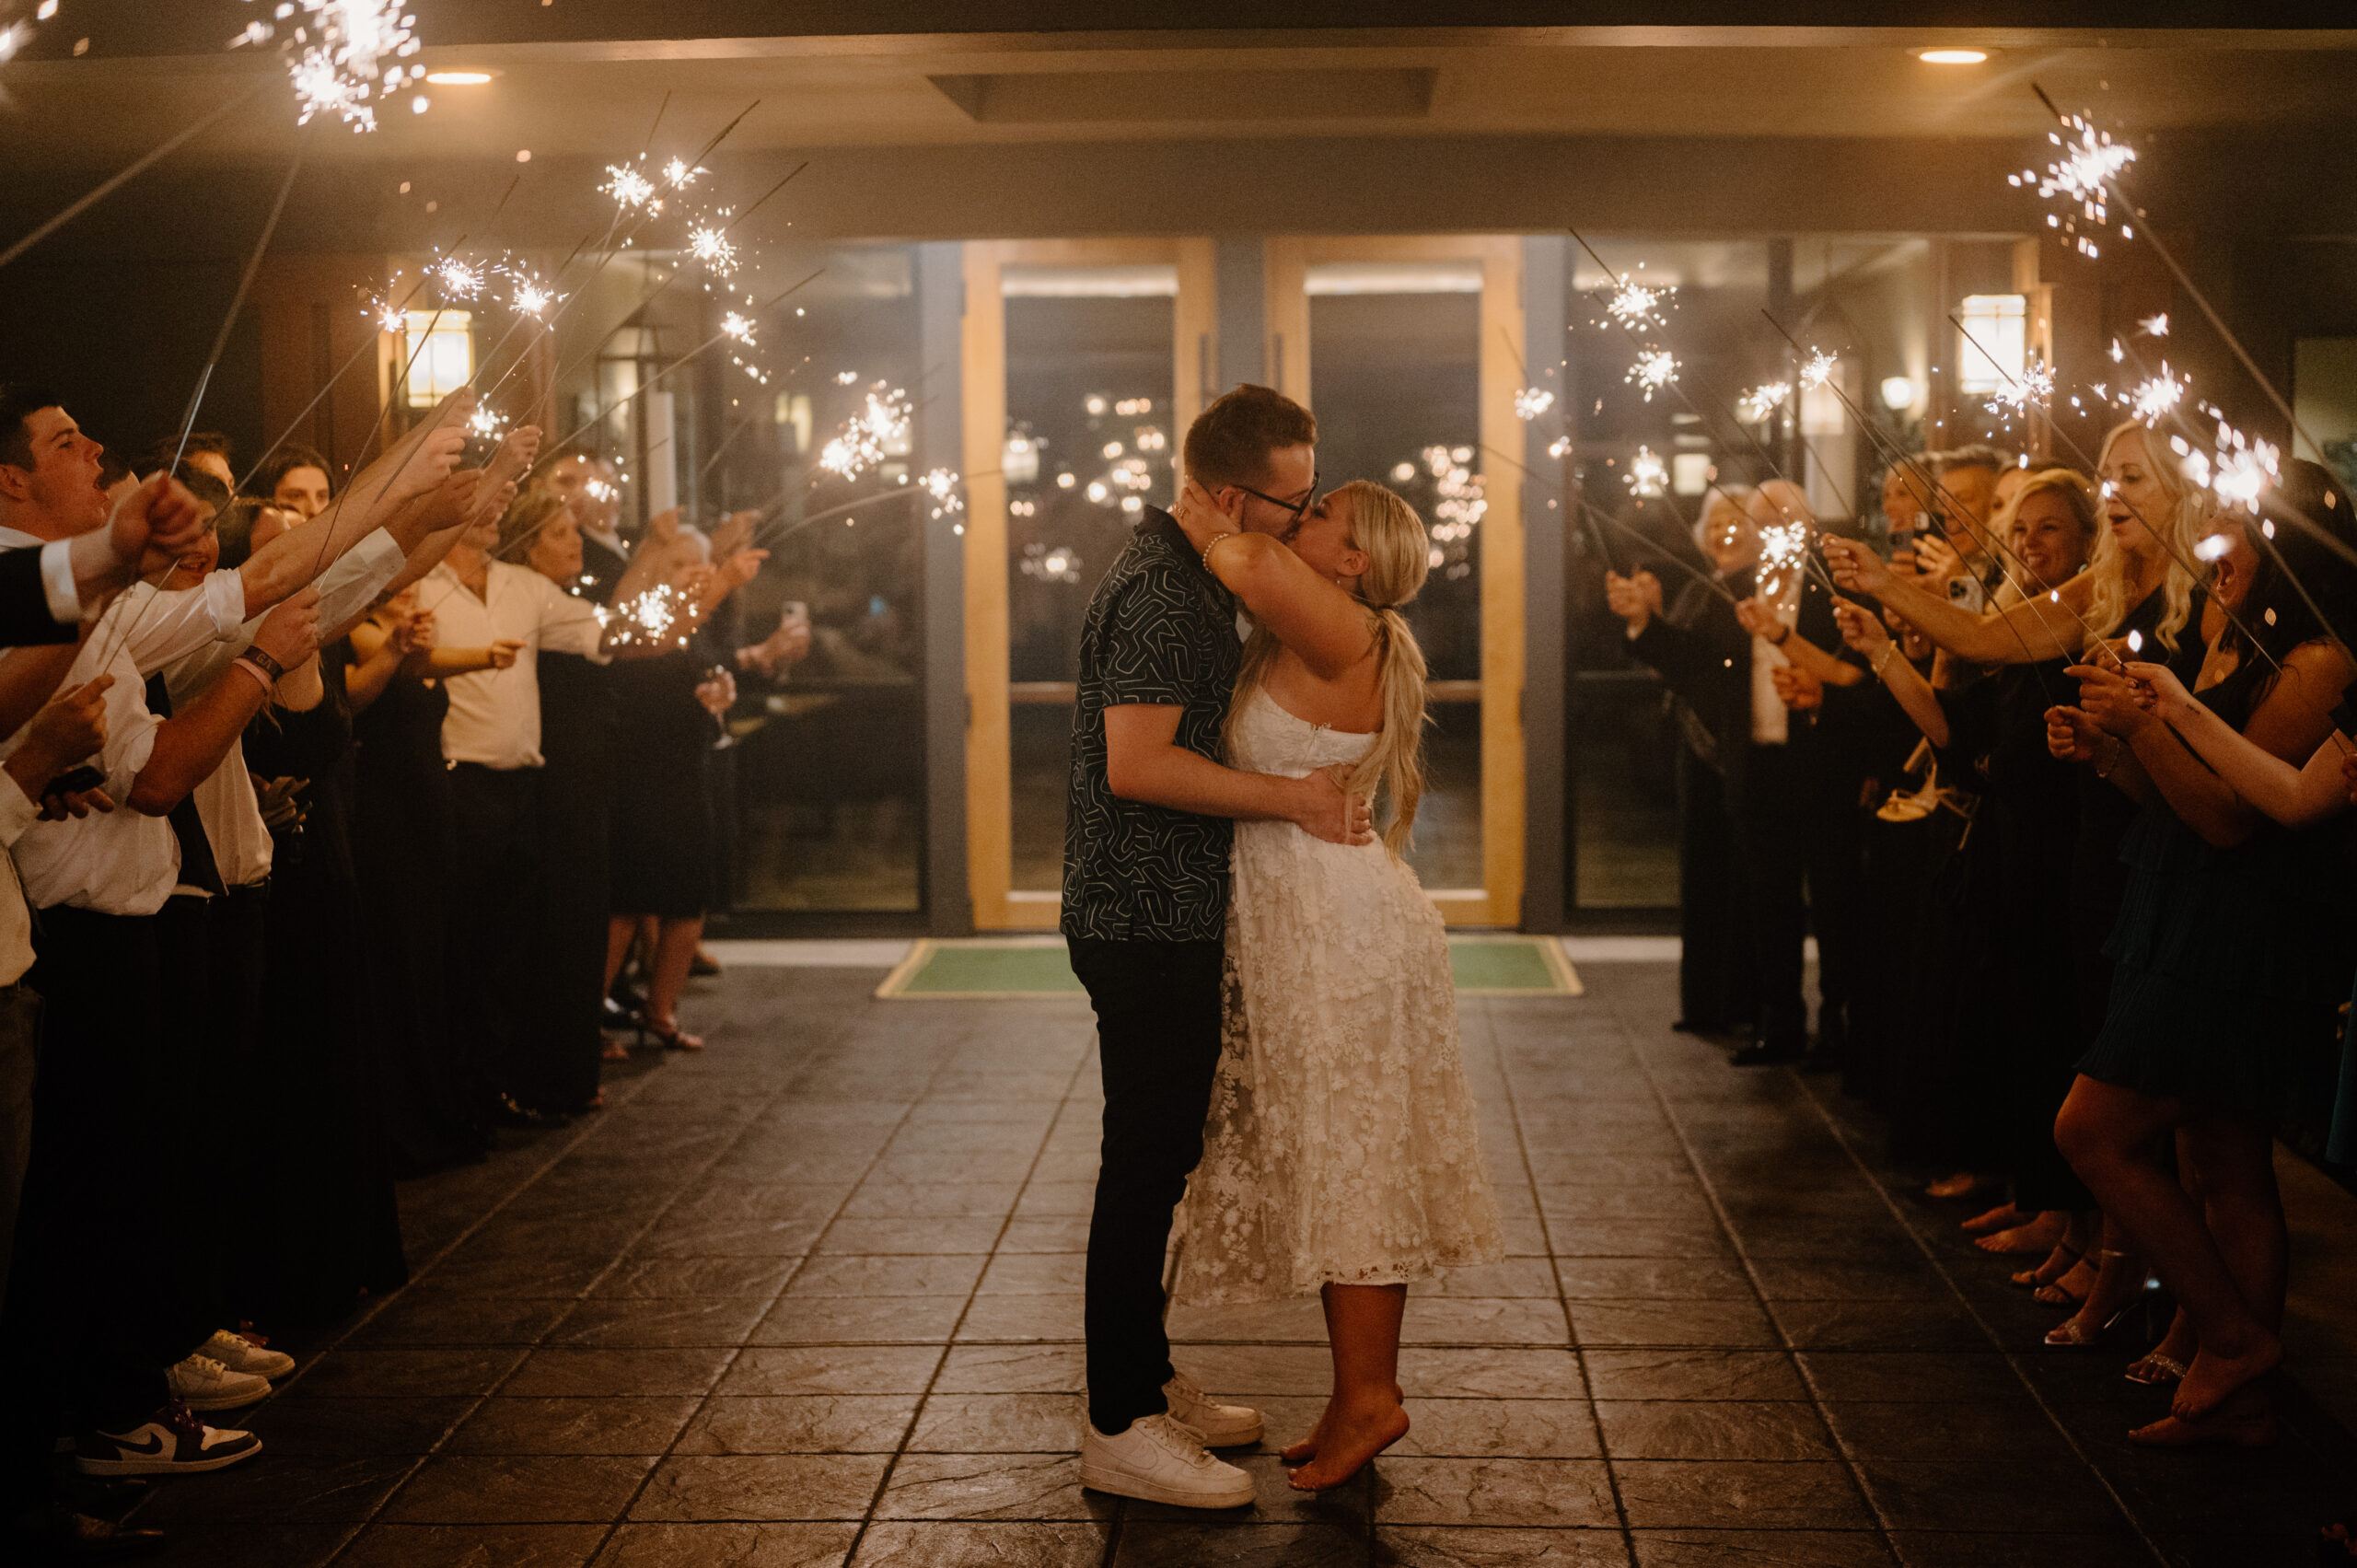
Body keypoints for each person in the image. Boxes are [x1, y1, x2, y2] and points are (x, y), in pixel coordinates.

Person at [1062, 384, 1369, 1511]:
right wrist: (1290, 799)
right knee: (1143, 1164)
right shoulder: (1160, 592)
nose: (1302, 524)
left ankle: (1143, 1377)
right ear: (1236, 495)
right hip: (1140, 914)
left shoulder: (1191, 573)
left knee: (1162, 1157)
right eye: (1295, 505)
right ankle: (1116, 1420)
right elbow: (1137, 765)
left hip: (1172, 908)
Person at [1177, 478, 1503, 1491]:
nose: (1297, 520)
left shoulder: (1343, 622)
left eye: (1318, 514)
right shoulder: (1320, 627)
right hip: (1308, 918)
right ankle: (1352, 1388)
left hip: (1337, 929)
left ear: (1354, 559)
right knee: (1336, 1156)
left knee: (1355, 1159)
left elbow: (1241, 556)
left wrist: (1215, 508)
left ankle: (1373, 1394)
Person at [2050, 457, 2357, 1447]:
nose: (2211, 550)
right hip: (2178, 907)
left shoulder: (2315, 661)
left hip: (2240, 933)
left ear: (2285, 545)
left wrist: (2151, 719)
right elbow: (2179, 800)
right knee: (2219, 1154)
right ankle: (2245, 1403)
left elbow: (2233, 820)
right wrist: (2110, 747)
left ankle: (2230, 1337)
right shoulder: (2224, 635)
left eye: (2229, 532)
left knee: (2090, 1128)